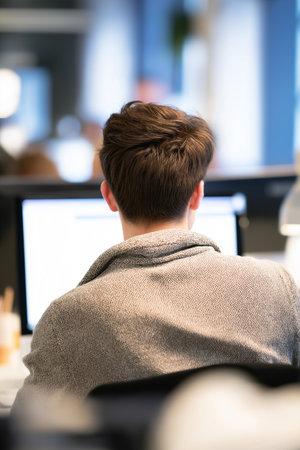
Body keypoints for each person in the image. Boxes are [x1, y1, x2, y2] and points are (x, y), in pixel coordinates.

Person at [13, 101, 300, 408]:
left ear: (108, 195)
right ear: (198, 195)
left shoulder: (68, 319)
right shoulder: (276, 288)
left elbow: (25, 430)